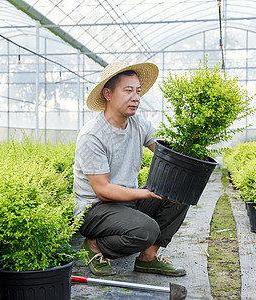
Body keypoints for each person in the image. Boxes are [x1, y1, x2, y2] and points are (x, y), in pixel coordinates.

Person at [73, 61, 189, 277]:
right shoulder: (92, 135)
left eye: (138, 91)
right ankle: (94, 246)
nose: (135, 97)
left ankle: (148, 258)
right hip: (95, 209)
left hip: (127, 204)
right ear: (108, 94)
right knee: (146, 230)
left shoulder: (140, 125)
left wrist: (192, 137)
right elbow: (103, 190)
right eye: (128, 91)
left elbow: (169, 156)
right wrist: (145, 193)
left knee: (180, 193)